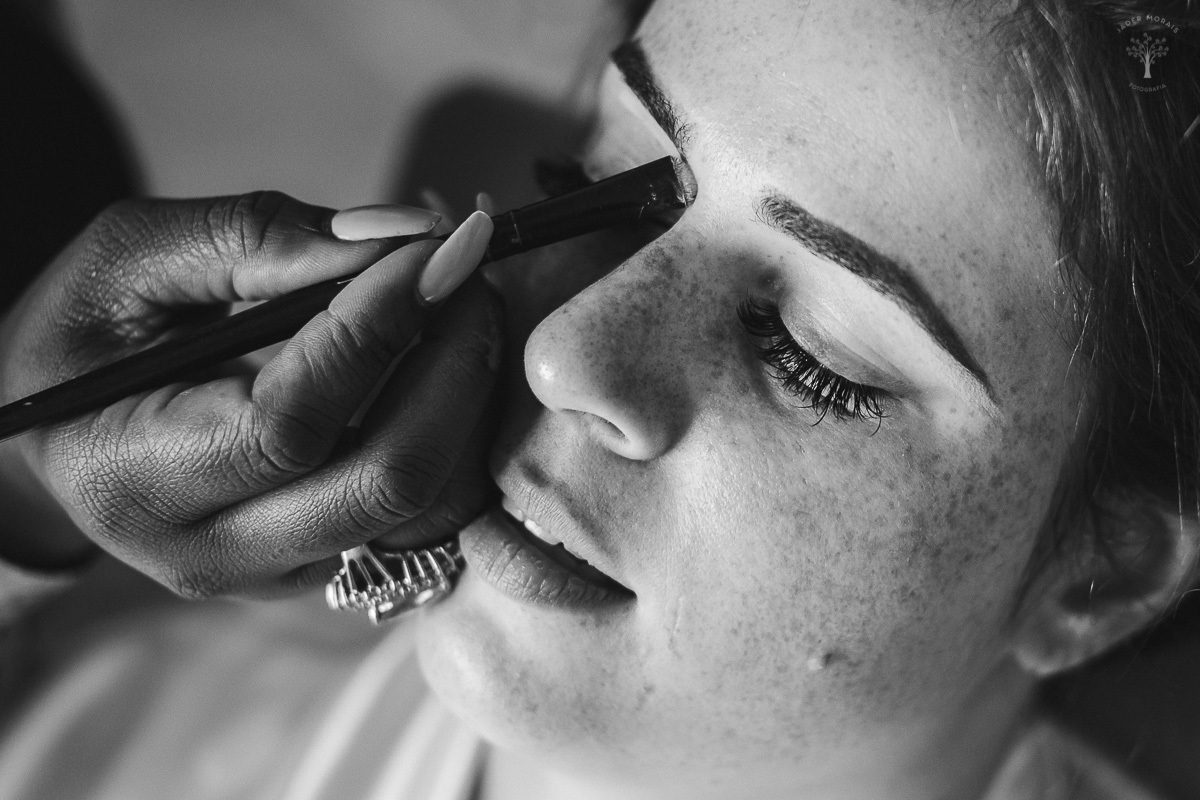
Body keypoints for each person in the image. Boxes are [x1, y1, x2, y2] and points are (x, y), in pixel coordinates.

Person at [1, 0, 1198, 798]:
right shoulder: (125, 696)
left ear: (1098, 571)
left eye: (813, 353)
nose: (564, 351)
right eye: (598, 182)